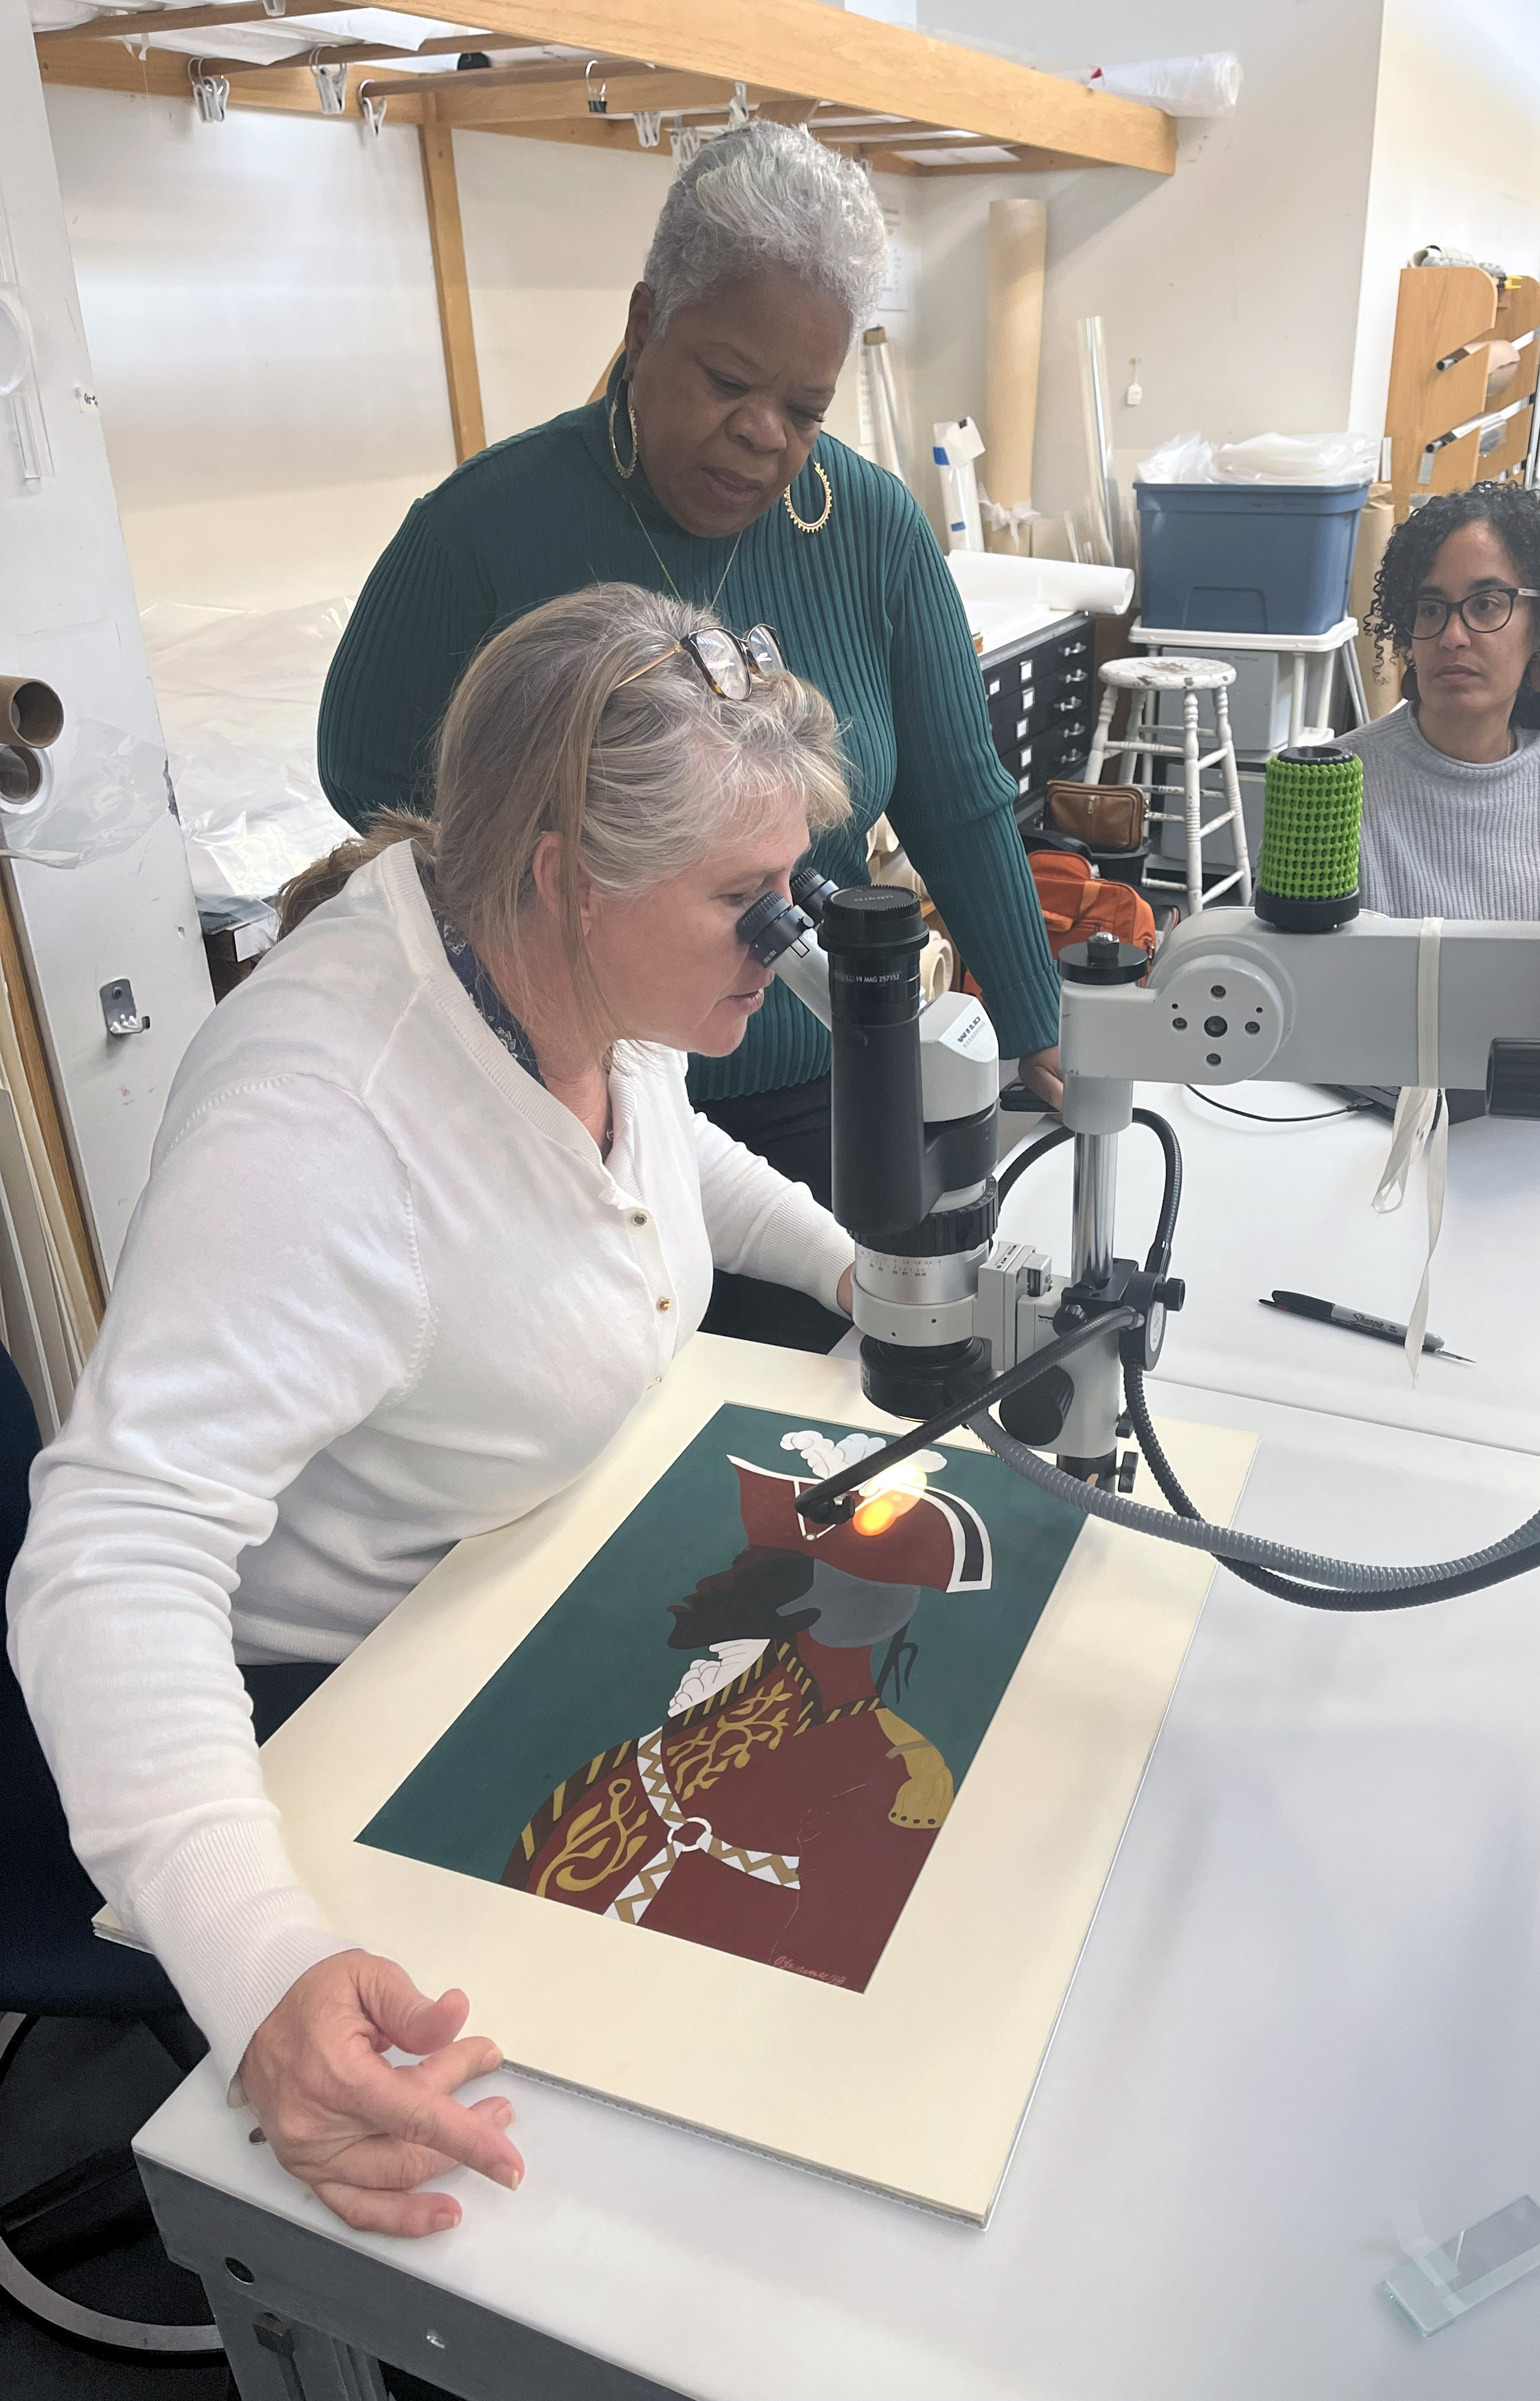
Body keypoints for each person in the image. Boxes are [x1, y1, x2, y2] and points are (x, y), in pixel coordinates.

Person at [7, 583, 861, 2240]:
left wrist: (856, 1276)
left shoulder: (558, 969)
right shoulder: (324, 1128)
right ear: (565, 873)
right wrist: (258, 1962)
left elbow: (667, 1149)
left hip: (523, 1597)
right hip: (333, 1710)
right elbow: (111, 1553)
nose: (790, 944)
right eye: (750, 903)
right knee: (620, 2195)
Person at [317, 121, 1062, 1349]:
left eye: (806, 406)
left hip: (825, 1093)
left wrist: (1040, 1026)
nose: (765, 432)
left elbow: (957, 793)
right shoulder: (482, 533)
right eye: (727, 381)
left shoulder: (871, 532)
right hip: (568, 1107)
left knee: (823, 1425)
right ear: (642, 322)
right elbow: (365, 774)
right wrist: (572, 905)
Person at [1345, 482, 1540, 921]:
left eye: (1485, 605)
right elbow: (1288, 975)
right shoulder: (1334, 786)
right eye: (1430, 608)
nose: (1452, 637)